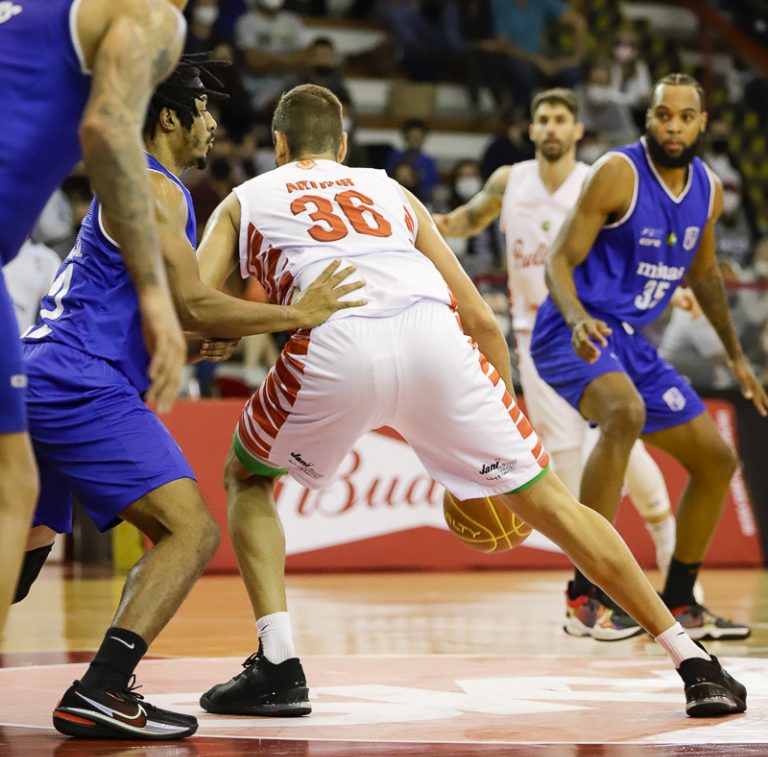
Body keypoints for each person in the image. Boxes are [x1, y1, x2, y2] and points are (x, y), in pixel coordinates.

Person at [195, 83, 747, 720]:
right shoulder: (391, 190)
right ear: (343, 147)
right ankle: (693, 663)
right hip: (438, 340)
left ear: (278, 144)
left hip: (334, 340)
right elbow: (481, 319)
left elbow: (194, 305)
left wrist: (231, 329)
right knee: (557, 507)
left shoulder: (244, 198)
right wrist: (498, 427)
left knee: (247, 478)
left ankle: (278, 665)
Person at [14, 58, 363, 741]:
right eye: (202, 109)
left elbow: (151, 305)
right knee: (191, 532)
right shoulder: (155, 188)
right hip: (81, 379)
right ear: (169, 117)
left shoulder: (145, 184)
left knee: (20, 560)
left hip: (46, 373)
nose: (212, 122)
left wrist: (187, 339)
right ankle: (103, 688)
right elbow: (193, 301)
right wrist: (301, 312)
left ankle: (102, 687)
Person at [530, 73, 768, 643]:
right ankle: (585, 596)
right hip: (571, 328)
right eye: (664, 116)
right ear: (649, 118)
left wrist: (737, 358)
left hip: (631, 339)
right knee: (624, 414)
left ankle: (682, 599)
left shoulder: (708, 189)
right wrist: (577, 318)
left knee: (716, 461)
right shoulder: (619, 172)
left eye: (685, 117)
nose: (674, 127)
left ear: (702, 123)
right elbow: (558, 260)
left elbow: (704, 276)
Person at [434, 89, 683, 630]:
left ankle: (663, 574)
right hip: (537, 340)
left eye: (560, 119)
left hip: (591, 332)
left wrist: (672, 283)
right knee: (575, 463)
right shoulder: (510, 180)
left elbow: (640, 247)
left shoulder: (598, 181)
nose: (550, 127)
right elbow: (464, 220)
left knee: (623, 443)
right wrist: (419, 223)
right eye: (542, 119)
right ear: (531, 130)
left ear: (576, 130)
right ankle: (591, 597)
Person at [0, 0, 190, 637]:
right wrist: (156, 296)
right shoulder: (148, 16)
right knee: (13, 493)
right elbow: (108, 128)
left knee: (17, 496)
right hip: (74, 364)